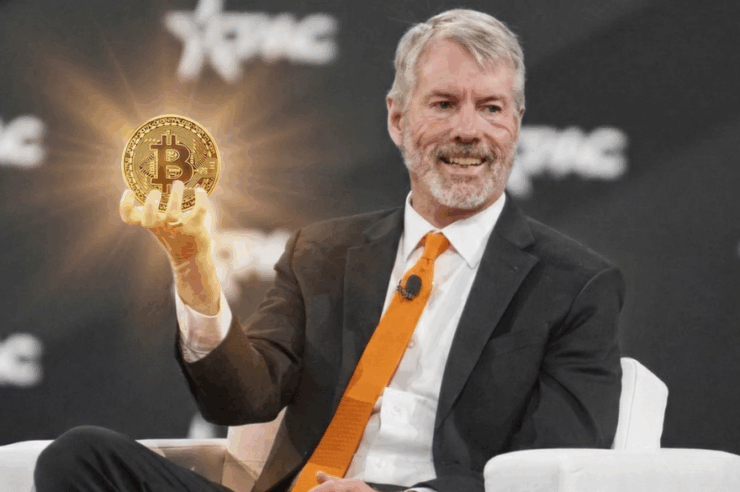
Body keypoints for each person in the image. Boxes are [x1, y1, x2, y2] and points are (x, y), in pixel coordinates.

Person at [34, 9, 623, 492]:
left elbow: (554, 463)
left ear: (516, 122)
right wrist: (192, 264)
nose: (468, 130)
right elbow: (241, 398)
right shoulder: (323, 252)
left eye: (491, 107)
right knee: (81, 457)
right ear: (398, 119)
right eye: (444, 104)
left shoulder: (575, 285)